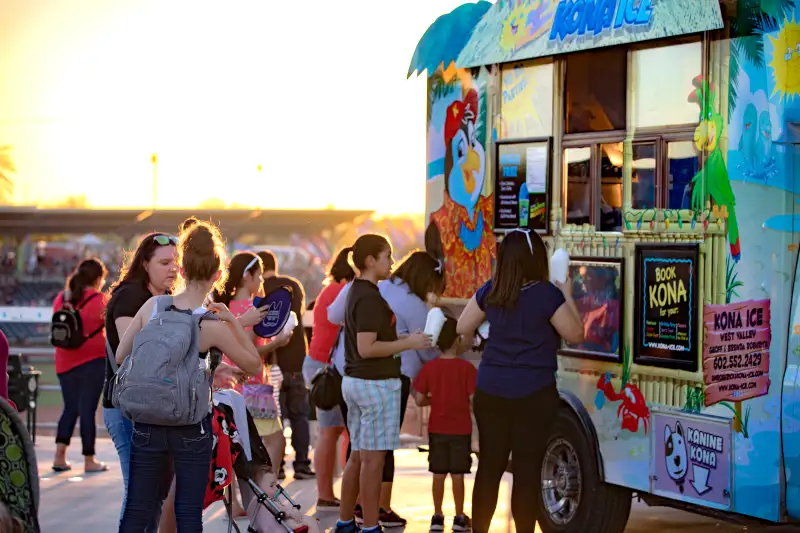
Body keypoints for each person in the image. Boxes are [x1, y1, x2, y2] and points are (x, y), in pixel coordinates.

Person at [115, 221, 263, 533]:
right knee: (187, 512)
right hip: (189, 425)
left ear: (181, 270)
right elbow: (253, 365)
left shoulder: (153, 306)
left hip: (146, 420)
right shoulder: (210, 324)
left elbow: (119, 357)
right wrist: (234, 322)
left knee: (137, 509)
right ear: (218, 274)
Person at [456, 229, 584, 533]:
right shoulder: (546, 294)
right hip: (533, 395)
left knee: (489, 468)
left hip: (491, 392)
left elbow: (462, 325)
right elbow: (575, 334)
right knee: (526, 472)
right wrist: (566, 291)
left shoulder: (492, 291)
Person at [328, 249, 445, 527]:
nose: (392, 263)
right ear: (370, 260)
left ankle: (346, 521)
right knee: (377, 458)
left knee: (357, 453)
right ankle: (372, 520)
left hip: (348, 376)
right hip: (379, 382)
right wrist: (410, 343)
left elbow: (334, 316)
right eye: (386, 256)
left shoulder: (354, 289)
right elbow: (373, 348)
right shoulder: (390, 300)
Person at [103, 233, 180, 533]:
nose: (173, 268)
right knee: (140, 497)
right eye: (164, 262)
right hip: (127, 409)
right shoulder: (131, 295)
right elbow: (131, 352)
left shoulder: (159, 299)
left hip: (149, 409)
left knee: (153, 495)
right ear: (145, 263)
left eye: (176, 262)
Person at [211, 251, 290, 516]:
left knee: (234, 447)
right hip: (254, 385)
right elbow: (253, 355)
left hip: (227, 384)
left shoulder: (224, 307)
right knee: (275, 441)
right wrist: (278, 342)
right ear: (248, 276)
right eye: (259, 275)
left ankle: (235, 503)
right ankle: (267, 497)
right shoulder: (254, 311)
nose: (261, 281)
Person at [413, 315, 476, 532]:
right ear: (457, 340)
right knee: (458, 474)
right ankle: (459, 517)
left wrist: (435, 399)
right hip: (460, 430)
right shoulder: (467, 369)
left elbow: (420, 399)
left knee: (438, 473)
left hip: (437, 429)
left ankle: (437, 516)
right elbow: (473, 400)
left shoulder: (430, 368)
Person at [303, 247, 354, 508]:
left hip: (320, 365)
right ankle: (325, 493)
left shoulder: (332, 288)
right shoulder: (342, 291)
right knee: (331, 432)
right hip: (327, 368)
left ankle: (331, 492)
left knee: (334, 431)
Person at [259, 250, 315, 479]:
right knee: (300, 415)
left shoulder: (261, 290)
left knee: (277, 419)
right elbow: (298, 316)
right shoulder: (293, 285)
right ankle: (301, 465)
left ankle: (278, 466)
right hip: (297, 361)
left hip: (272, 363)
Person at [51, 258, 109, 474]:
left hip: (64, 362)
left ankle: (59, 456)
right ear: (98, 279)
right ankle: (89, 459)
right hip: (92, 362)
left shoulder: (61, 298)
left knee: (70, 408)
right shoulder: (100, 300)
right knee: (87, 411)